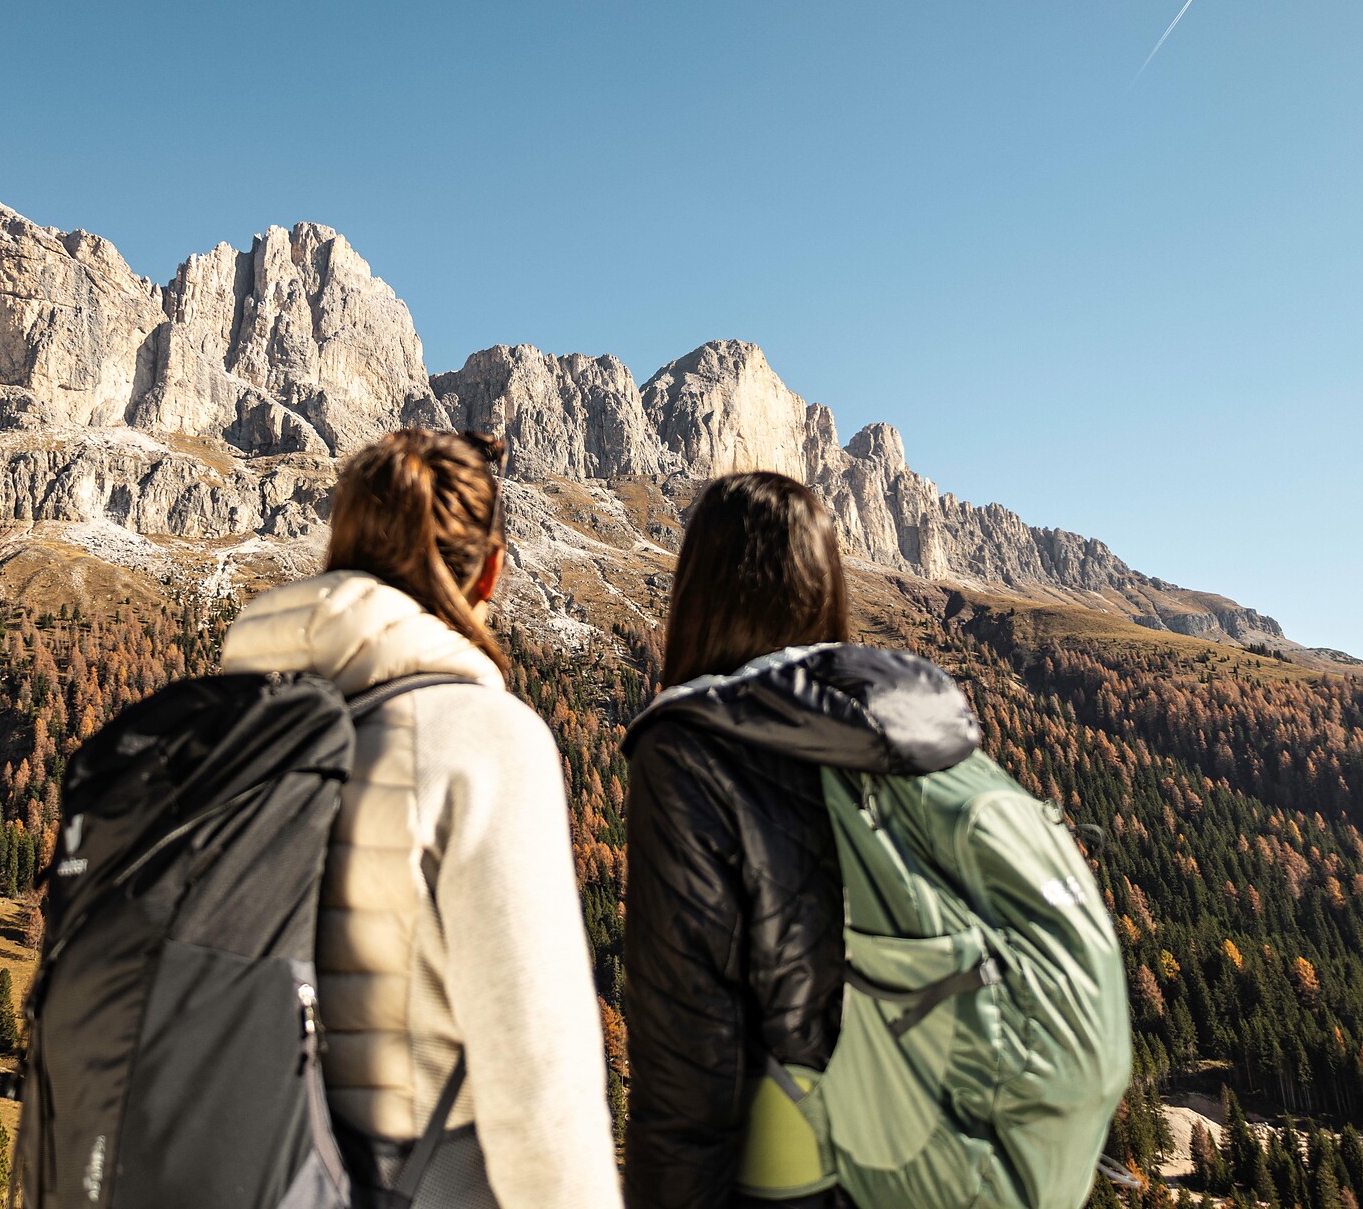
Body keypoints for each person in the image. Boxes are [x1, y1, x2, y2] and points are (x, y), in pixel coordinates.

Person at [221, 428, 624, 1209]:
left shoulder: (228, 728)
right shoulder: (482, 738)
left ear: (339, 552)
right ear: (492, 571)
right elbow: (542, 1085)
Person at [620, 472, 981, 1209]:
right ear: (829, 588)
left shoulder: (689, 748)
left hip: (795, 1177)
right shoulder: (921, 731)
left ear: (699, 594)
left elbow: (688, 1061)